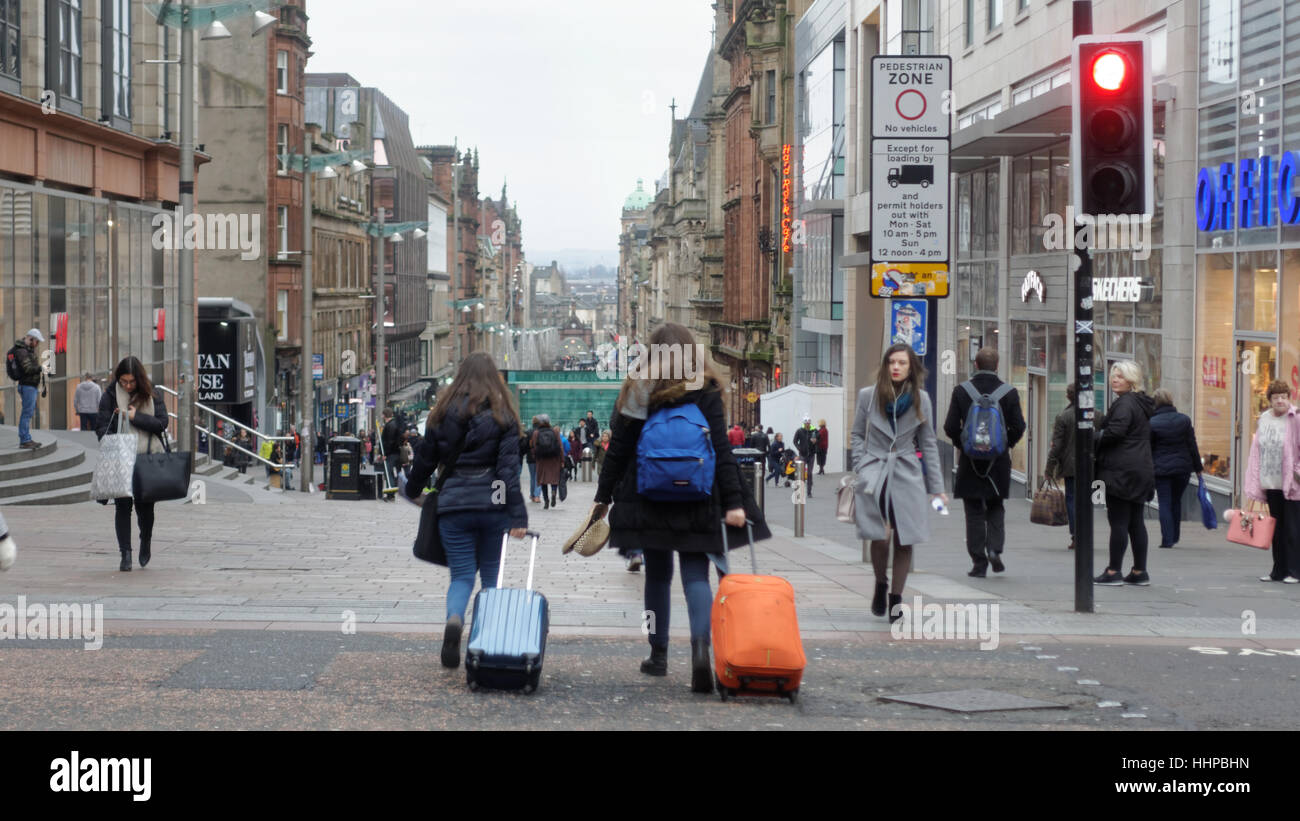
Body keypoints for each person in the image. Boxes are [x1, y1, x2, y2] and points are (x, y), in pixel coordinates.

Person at [589, 322, 769, 693]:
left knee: (656, 578)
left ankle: (657, 654)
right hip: (699, 496)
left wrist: (603, 497)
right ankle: (701, 648)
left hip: (648, 495)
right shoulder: (704, 386)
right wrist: (734, 503)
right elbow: (721, 449)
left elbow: (619, 449)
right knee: (695, 576)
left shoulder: (640, 387)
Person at [403, 352, 527, 668]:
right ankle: (484, 642)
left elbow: (425, 460)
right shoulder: (505, 417)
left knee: (460, 576)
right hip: (493, 507)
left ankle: (455, 620)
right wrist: (518, 516)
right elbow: (508, 471)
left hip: (453, 504)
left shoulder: (442, 413)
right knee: (490, 577)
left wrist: (414, 489)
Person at [851, 343, 947, 621]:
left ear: (911, 368)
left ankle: (896, 597)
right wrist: (861, 463)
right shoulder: (868, 396)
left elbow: (928, 444)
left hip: (906, 470)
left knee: (905, 539)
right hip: (875, 470)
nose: (896, 367)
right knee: (881, 535)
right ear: (885, 365)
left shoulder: (921, 399)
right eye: (892, 362)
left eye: (902, 363)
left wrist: (937, 488)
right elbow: (857, 433)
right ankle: (880, 582)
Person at [943, 346, 1026, 577]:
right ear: (997, 366)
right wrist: (1003, 445)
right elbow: (1019, 426)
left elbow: (950, 427)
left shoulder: (961, 391)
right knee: (996, 506)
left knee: (974, 512)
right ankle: (995, 549)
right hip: (998, 463)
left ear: (975, 365)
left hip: (970, 463)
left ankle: (978, 563)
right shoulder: (1008, 392)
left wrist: (965, 446)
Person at [95, 356, 170, 571]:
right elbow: (102, 425)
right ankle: (125, 553)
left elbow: (161, 424)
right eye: (123, 381)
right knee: (122, 506)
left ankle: (145, 540)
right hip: (121, 457)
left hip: (147, 457)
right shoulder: (110, 394)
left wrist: (135, 417)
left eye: (131, 382)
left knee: (145, 508)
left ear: (139, 379)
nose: (127, 386)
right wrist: (111, 442)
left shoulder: (151, 393)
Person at [1093, 360, 1156, 586]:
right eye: (1113, 375)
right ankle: (1139, 571)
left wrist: (1095, 436)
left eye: (1120, 376)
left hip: (1122, 469)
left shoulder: (1125, 404)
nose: (1114, 379)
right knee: (1135, 522)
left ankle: (1113, 571)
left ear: (1131, 380)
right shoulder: (1140, 403)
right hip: (1140, 468)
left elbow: (1116, 432)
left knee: (1118, 521)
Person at [1243, 380, 1300, 584]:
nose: (1280, 401)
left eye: (1284, 397)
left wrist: (1297, 473)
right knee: (1276, 527)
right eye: (1276, 398)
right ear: (1270, 400)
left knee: (1293, 528)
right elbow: (1257, 449)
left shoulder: (1296, 418)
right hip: (1270, 481)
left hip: (1293, 484)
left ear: (1289, 398)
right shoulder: (1265, 419)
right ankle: (1278, 570)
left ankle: (1295, 571)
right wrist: (1255, 477)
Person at [1149, 388, 1204, 550]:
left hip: (1161, 470)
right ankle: (1175, 535)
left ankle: (1167, 539)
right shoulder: (1184, 420)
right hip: (1182, 469)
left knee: (1164, 502)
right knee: (1176, 501)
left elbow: (1149, 448)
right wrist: (1198, 467)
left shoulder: (1152, 423)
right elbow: (1192, 445)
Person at [1045, 383, 1078, 550]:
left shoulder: (1063, 417)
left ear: (1068, 396)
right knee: (1088, 499)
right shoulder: (1097, 415)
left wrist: (1049, 469)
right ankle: (1085, 532)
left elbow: (1056, 446)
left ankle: (1076, 535)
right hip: (1091, 466)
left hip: (1071, 466)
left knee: (1072, 499)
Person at [7, 329, 44, 449]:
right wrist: (41, 368)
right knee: (27, 413)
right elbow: (28, 369)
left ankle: (26, 438)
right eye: (37, 341)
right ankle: (25, 440)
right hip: (27, 386)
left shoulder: (26, 350)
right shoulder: (22, 351)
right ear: (31, 338)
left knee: (27, 412)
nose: (37, 344)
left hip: (29, 386)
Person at [530, 414, 565, 509]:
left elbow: (533, 447)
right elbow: (561, 446)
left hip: (542, 460)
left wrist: (535, 457)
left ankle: (546, 501)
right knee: (554, 479)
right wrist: (562, 460)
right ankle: (553, 493)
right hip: (554, 459)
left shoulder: (536, 433)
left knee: (543, 480)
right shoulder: (555, 431)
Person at [793, 415, 816, 497]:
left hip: (811, 455)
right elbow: (795, 441)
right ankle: (800, 491)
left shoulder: (814, 431)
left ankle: (809, 492)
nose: (808, 424)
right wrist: (799, 448)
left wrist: (815, 442)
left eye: (809, 423)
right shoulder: (799, 431)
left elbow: (818, 441)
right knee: (801, 473)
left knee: (809, 473)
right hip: (803, 455)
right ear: (804, 423)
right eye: (806, 423)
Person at [522, 416, 541, 503]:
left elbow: (524, 445)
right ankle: (537, 496)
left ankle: (532, 495)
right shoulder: (542, 432)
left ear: (532, 422)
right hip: (540, 457)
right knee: (538, 477)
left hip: (530, 457)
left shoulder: (528, 432)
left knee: (532, 477)